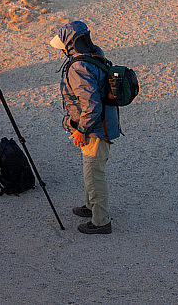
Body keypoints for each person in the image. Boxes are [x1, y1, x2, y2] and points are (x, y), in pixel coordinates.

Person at [50, 21, 120, 234]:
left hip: (95, 131)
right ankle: (91, 207)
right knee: (91, 171)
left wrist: (82, 129)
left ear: (70, 45)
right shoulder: (94, 54)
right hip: (102, 127)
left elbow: (91, 104)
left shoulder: (79, 67)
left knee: (94, 174)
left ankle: (101, 221)